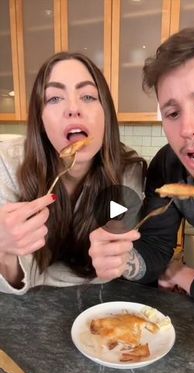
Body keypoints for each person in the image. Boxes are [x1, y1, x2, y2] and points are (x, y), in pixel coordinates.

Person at [89, 21, 194, 323]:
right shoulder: (169, 165)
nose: (186, 130)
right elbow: (156, 248)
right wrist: (123, 260)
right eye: (172, 113)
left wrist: (184, 274)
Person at [0, 51, 145, 294]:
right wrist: (4, 253)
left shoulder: (127, 171)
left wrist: (115, 260)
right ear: (41, 121)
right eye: (55, 98)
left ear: (106, 115)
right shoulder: (7, 163)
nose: (73, 108)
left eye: (88, 96)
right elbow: (19, 277)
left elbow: (110, 265)